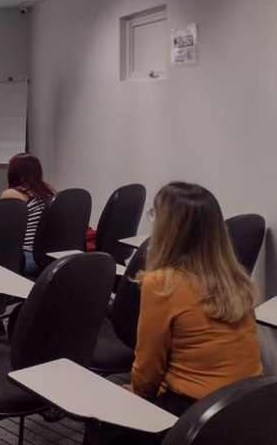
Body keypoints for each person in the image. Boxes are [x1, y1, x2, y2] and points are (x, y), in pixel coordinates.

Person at [88, 182, 263, 445]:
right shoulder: (235, 279)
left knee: (98, 422)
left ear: (168, 229)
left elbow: (149, 365)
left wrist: (135, 393)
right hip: (247, 405)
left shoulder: (163, 283)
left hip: (196, 416)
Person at [0, 153, 55, 276]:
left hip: (26, 259)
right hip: (48, 260)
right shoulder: (48, 191)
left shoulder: (12, 193)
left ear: (16, 174)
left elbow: (4, 232)